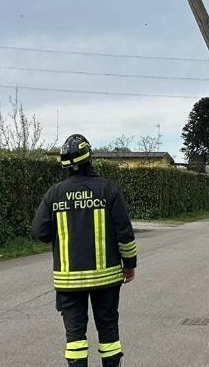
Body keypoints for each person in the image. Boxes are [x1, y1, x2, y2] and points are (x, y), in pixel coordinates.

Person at [33, 134, 137, 367]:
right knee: (108, 331)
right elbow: (125, 234)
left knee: (75, 337)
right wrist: (129, 265)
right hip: (107, 279)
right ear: (90, 158)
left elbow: (40, 232)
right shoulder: (108, 189)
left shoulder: (54, 194)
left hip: (68, 281)